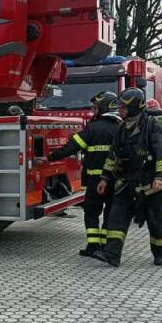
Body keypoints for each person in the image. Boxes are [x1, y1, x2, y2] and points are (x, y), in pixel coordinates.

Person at [96, 88, 162, 267]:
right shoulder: (122, 127)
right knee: (117, 216)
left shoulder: (152, 125)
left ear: (135, 107)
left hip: (150, 183)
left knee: (157, 220)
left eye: (123, 107)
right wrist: (105, 178)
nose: (120, 110)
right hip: (126, 183)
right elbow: (112, 155)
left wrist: (161, 177)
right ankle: (111, 254)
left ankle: (160, 253)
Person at [47, 91, 121, 257]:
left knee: (92, 212)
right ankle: (105, 245)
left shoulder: (93, 128)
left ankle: (93, 246)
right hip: (116, 180)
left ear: (102, 108)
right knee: (110, 212)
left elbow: (72, 147)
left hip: (96, 181)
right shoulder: (122, 127)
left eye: (95, 108)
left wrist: (49, 157)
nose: (93, 111)